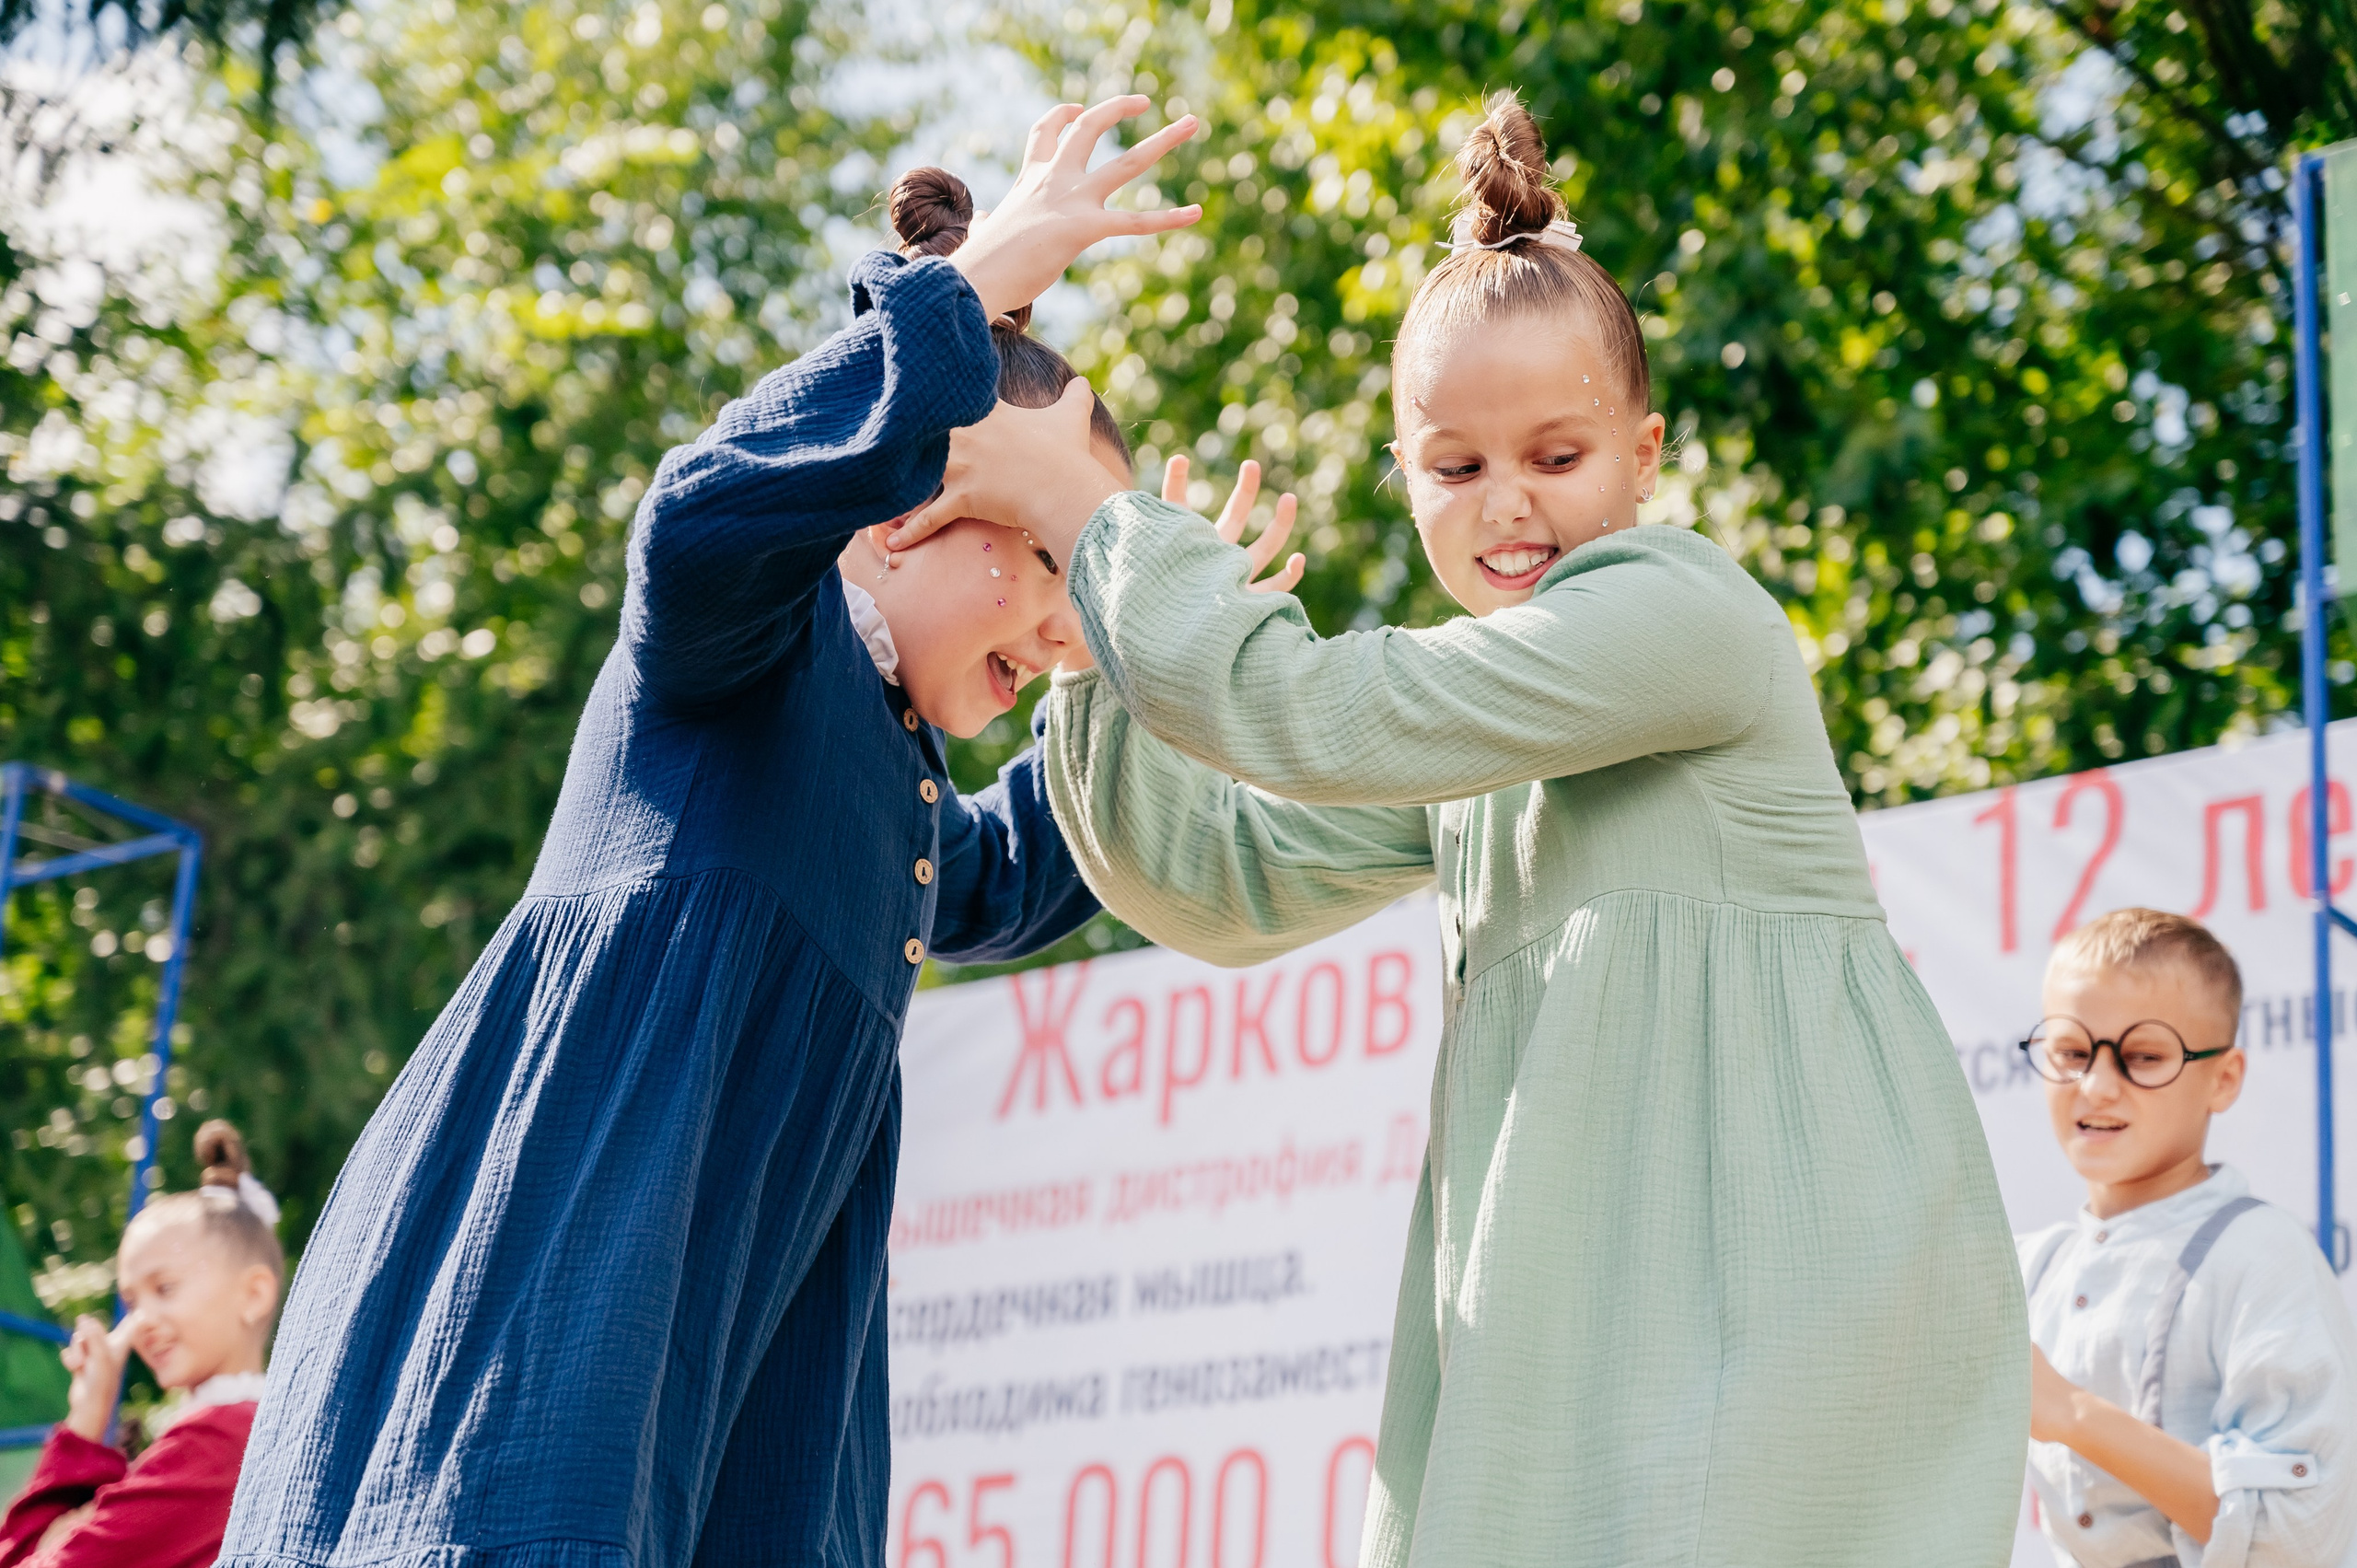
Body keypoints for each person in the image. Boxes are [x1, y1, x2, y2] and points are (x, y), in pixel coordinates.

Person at [895, 89, 2028, 1563]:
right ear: (1404, 473)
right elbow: (1221, 882)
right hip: (1587, 1315)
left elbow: (1299, 704)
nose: (1508, 508)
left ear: (1646, 449)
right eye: (1456, 467)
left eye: (1557, 458)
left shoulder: (1676, 613)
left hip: (1774, 1297)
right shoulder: (1490, 741)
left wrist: (1099, 514)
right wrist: (1107, 642)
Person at [217, 97, 1202, 1568]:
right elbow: (706, 511)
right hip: (570, 1274)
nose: (1072, 629)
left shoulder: (912, 795)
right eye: (1058, 556)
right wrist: (968, 290)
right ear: (900, 510)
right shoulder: (751, 638)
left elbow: (1051, 846)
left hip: (745, 1382)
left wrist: (1182, 665)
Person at [2017, 908, 2357, 1568]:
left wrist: (2072, 1412)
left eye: (2144, 1056)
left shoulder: (2263, 1252)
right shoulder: (2029, 1269)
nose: (2096, 1085)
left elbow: (2298, 1531)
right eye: (2070, 1051)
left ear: (2224, 1077)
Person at [1, 1121, 283, 1568]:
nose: (141, 1322)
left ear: (253, 1295)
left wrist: (86, 1423)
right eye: (131, 1301)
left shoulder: (217, 1442)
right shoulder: (252, 1430)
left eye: (165, 1289)